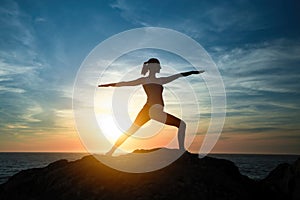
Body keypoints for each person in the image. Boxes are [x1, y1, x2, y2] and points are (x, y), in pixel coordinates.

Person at [98, 58, 204, 156]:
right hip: (152, 110)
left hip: (149, 110)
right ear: (154, 67)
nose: (160, 68)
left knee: (130, 131)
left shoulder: (161, 80)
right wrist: (108, 85)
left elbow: (178, 75)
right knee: (182, 125)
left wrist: (193, 72)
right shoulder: (145, 80)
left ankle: (110, 152)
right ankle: (181, 150)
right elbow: (125, 83)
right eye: (159, 66)